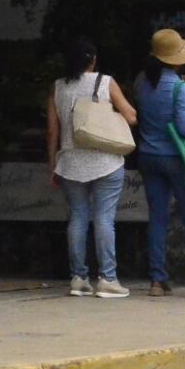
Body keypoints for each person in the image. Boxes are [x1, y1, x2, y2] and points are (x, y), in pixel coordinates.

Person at [46, 36, 137, 299]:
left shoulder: (57, 87)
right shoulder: (105, 82)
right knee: (104, 218)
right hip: (105, 162)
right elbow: (131, 116)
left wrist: (53, 166)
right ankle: (107, 279)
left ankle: (78, 278)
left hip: (70, 162)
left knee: (77, 218)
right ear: (93, 59)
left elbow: (52, 132)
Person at [134, 28, 185, 299]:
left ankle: (157, 279)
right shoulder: (181, 87)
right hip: (177, 159)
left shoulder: (141, 81)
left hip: (148, 155)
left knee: (157, 217)